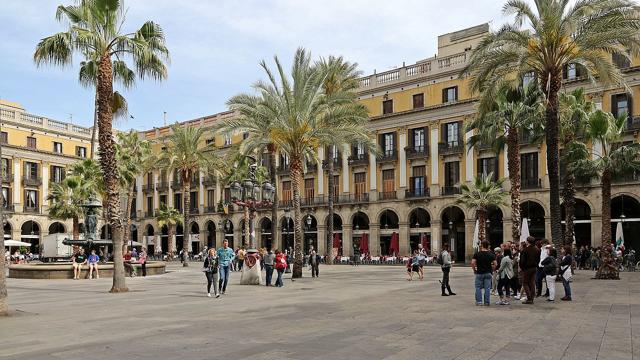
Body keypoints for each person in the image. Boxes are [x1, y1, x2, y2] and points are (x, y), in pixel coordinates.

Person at [471, 240, 496, 306]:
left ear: (481, 245)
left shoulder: (477, 254)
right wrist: (492, 269)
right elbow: (495, 264)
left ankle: (479, 302)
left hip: (479, 273)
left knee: (478, 287)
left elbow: (473, 263)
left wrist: (474, 270)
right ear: (488, 246)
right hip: (488, 273)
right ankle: (487, 302)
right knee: (487, 288)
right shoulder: (491, 254)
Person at [519, 237, 541, 304]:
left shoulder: (525, 250)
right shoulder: (537, 249)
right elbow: (538, 259)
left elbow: (522, 261)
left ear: (528, 241)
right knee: (532, 283)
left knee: (525, 283)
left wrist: (522, 268)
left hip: (527, 268)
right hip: (534, 268)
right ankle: (532, 297)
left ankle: (529, 298)